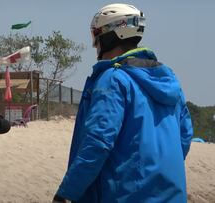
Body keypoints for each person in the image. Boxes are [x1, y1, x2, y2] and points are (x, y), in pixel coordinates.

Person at [53, 3, 193, 203]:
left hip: (125, 195)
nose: (95, 45)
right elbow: (185, 138)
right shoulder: (170, 80)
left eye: (96, 36)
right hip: (171, 195)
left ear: (109, 36)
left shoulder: (113, 79)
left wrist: (66, 193)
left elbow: (98, 142)